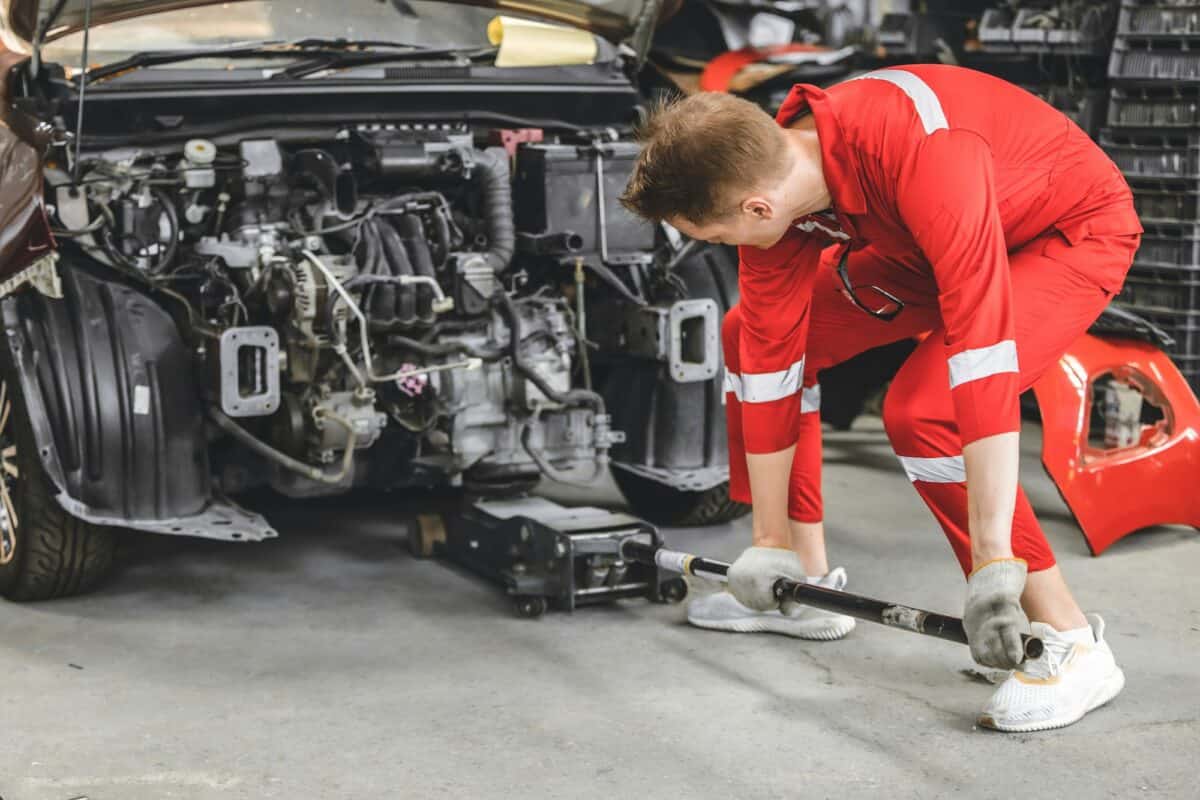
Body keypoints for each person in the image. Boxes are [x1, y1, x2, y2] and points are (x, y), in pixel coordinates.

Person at [620, 64, 1142, 732]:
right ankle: (804, 587)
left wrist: (993, 562)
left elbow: (981, 358)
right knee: (743, 334)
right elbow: (772, 357)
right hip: (917, 240)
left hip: (1063, 232)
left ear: (756, 209)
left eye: (714, 239)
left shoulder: (928, 154)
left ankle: (1067, 638)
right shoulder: (776, 176)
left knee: (927, 410)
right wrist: (768, 541)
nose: (720, 250)